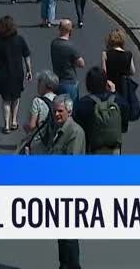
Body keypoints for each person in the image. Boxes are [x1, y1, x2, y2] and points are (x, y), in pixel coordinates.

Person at [49, 94, 85, 269]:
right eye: (55, 111)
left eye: (60, 111)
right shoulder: (60, 129)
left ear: (69, 111)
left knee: (69, 238)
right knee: (63, 237)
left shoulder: (75, 132)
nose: (56, 114)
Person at [0, 16, 32, 133]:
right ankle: (14, 121)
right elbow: (26, 56)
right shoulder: (19, 40)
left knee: (5, 100)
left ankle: (6, 125)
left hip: (2, 74)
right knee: (16, 98)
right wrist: (29, 70)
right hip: (17, 73)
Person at [74, 66, 129, 155]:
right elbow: (126, 118)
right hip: (114, 149)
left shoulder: (83, 103)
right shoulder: (118, 101)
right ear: (106, 83)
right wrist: (114, 92)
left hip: (93, 149)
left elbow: (78, 126)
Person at [51, 20, 86, 100]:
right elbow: (81, 63)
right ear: (70, 30)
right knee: (71, 108)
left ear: (59, 29)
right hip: (69, 81)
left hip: (57, 80)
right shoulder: (70, 46)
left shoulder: (54, 43)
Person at [101, 28, 136, 103]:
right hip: (124, 87)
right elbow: (132, 71)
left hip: (111, 86)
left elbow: (104, 73)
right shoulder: (128, 54)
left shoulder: (105, 54)